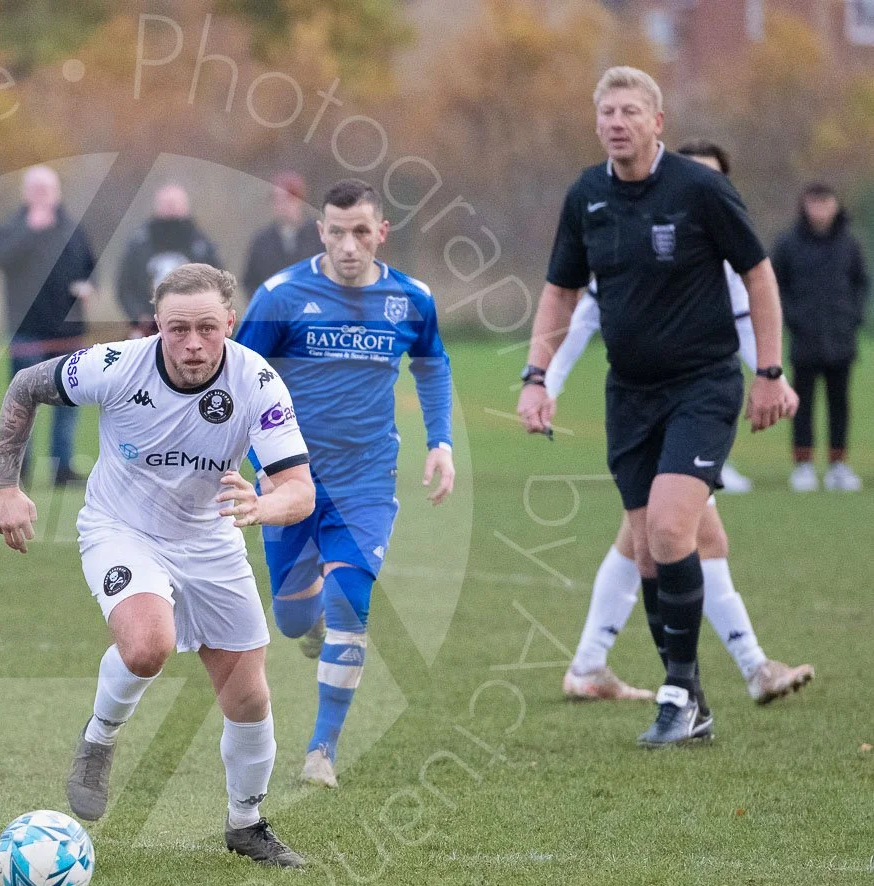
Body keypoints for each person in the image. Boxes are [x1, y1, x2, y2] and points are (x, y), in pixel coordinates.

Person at [0, 263, 316, 867]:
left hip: (212, 540)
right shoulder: (117, 365)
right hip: (122, 529)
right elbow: (25, 386)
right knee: (147, 645)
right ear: (156, 324)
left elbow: (300, 490)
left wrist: (261, 505)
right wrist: (6, 486)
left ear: (230, 323)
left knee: (248, 698)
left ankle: (246, 824)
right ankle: (99, 738)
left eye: (207, 328)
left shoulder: (258, 382)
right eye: (177, 329)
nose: (193, 344)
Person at [518, 66, 798, 748]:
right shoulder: (586, 195)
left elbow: (759, 275)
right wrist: (536, 377)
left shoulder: (701, 189)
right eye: (606, 112)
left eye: (629, 111)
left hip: (702, 387)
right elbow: (560, 293)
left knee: (673, 530)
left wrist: (769, 371)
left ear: (657, 122)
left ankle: (678, 693)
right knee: (647, 551)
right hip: (630, 395)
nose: (616, 123)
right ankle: (689, 698)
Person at [235, 178, 455, 788]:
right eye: (337, 233)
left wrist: (440, 441)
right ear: (321, 233)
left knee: (350, 603)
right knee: (291, 619)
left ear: (382, 232)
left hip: (366, 481)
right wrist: (242, 461)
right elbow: (238, 377)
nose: (350, 245)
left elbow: (432, 364)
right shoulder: (281, 296)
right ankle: (310, 624)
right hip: (289, 477)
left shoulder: (411, 298)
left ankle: (321, 752)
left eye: (362, 232)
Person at [0, 166, 97, 487]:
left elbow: (90, 266)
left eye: (47, 189)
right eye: (36, 189)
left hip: (68, 332)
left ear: (57, 192)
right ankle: (18, 470)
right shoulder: (12, 227)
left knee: (68, 401)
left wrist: (89, 286)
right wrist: (31, 231)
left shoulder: (72, 228)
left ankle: (62, 468)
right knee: (23, 402)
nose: (42, 195)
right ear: (25, 193)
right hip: (28, 330)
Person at [773, 182, 868, 492]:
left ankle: (838, 464)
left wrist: (852, 317)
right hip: (804, 338)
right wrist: (792, 318)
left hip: (841, 338)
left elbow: (860, 283)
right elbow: (776, 285)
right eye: (814, 203)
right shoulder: (788, 244)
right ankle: (803, 464)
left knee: (839, 403)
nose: (820, 210)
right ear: (805, 206)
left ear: (836, 206)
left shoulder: (849, 243)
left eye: (826, 203)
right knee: (801, 402)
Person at [115, 184, 222, 338]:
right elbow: (125, 286)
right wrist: (138, 315)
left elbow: (217, 284)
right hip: (149, 328)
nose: (171, 208)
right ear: (156, 206)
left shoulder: (201, 244)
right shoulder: (139, 244)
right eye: (166, 203)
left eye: (175, 203)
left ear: (186, 206)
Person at [241, 171, 323, 297]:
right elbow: (250, 281)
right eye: (277, 200)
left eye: (287, 199)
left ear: (300, 200)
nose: (282, 206)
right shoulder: (262, 241)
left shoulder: (319, 235)